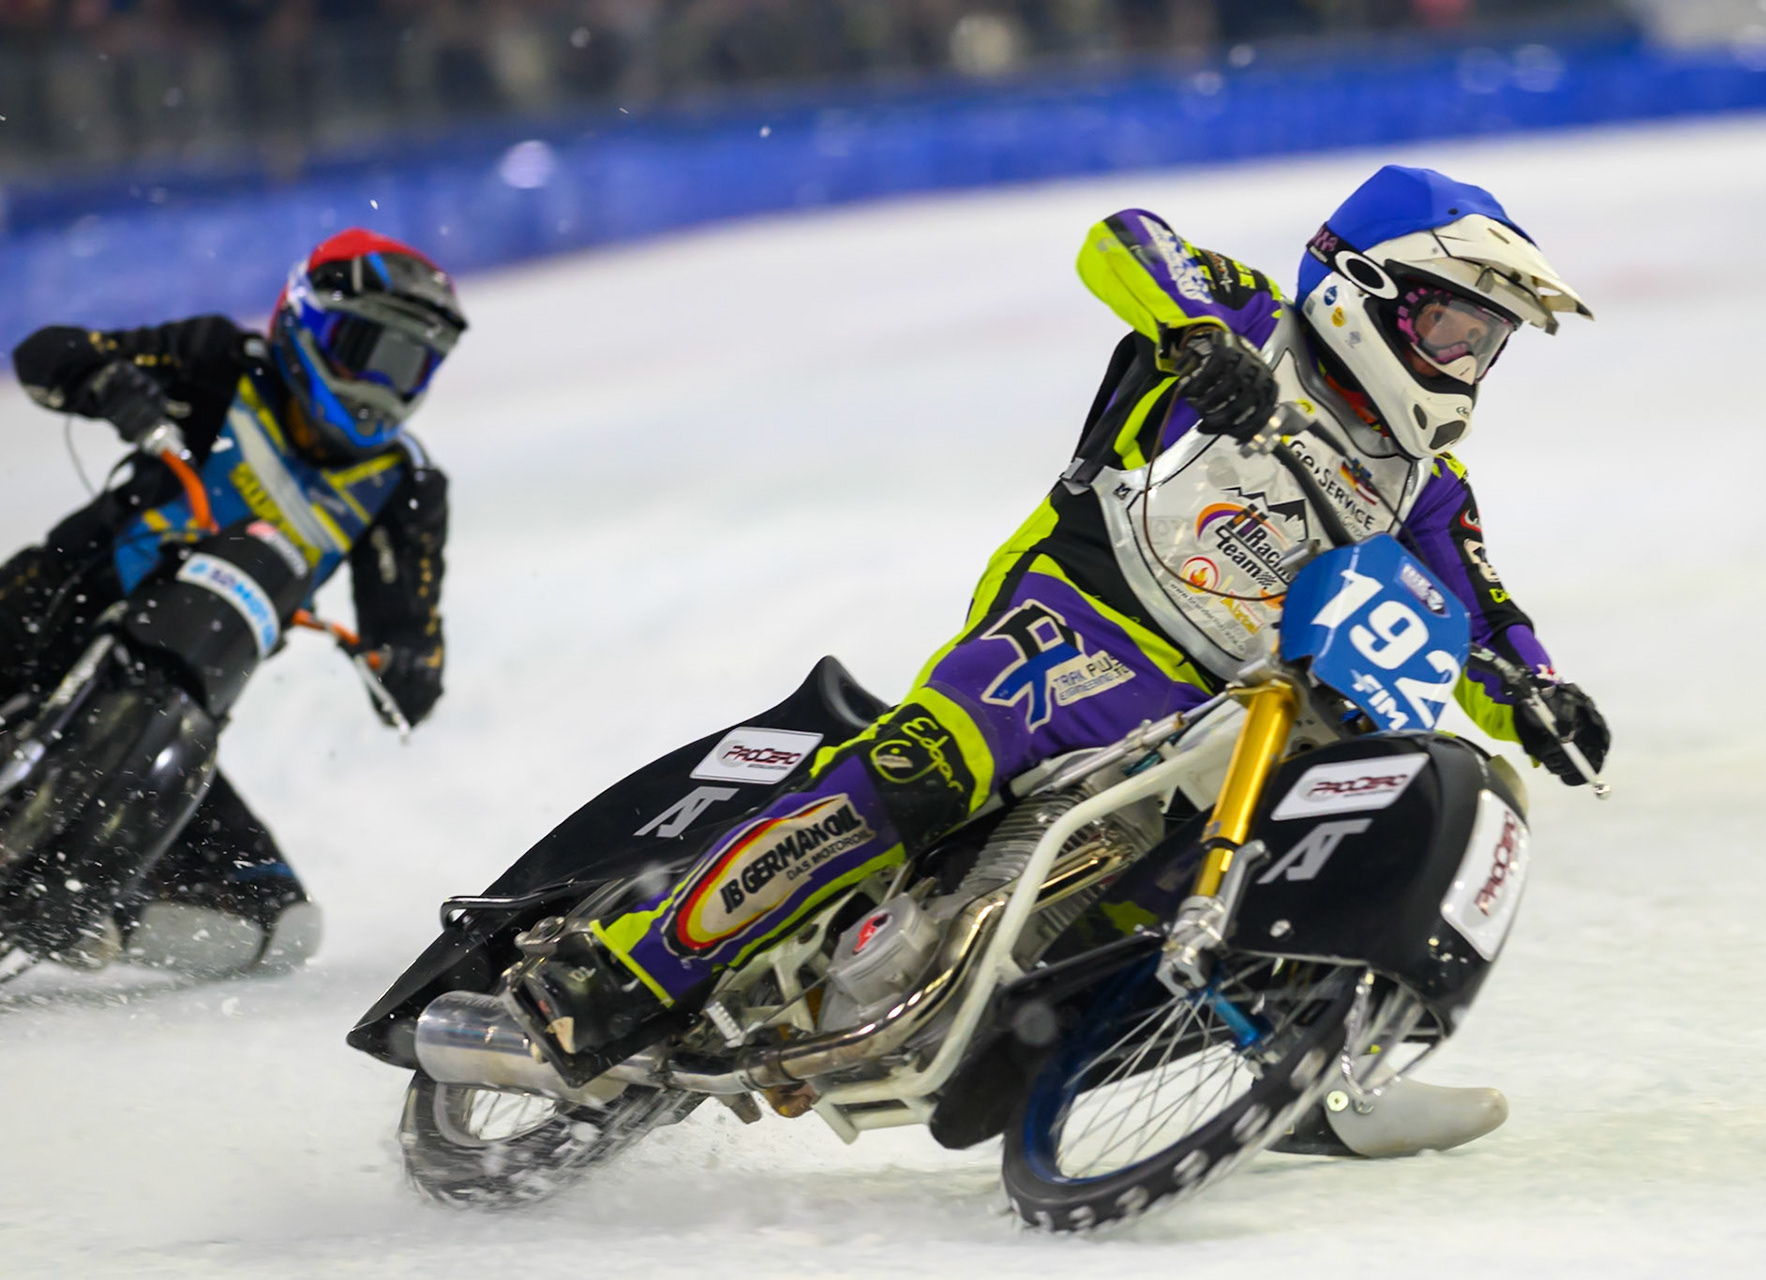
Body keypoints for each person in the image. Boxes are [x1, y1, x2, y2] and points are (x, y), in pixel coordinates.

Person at [511, 167, 1611, 1149]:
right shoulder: (1251, 321)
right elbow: (1128, 237)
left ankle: (1302, 1070)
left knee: (1277, 851)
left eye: (1485, 340)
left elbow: (1479, 607)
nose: (1466, 360)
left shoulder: (1427, 487)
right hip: (1076, 620)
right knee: (922, 770)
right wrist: (1194, 337)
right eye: (1452, 327)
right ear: (1362, 290)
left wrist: (1539, 691)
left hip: (1219, 706)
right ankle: (619, 965)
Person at [1, 229, 465, 976]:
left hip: (168, 711)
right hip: (47, 613)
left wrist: (407, 667)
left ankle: (79, 907)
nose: (382, 388)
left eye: (409, 367)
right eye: (370, 351)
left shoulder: (405, 488)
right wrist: (111, 383)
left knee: (274, 919)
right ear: (308, 323)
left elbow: (411, 638)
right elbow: (47, 355)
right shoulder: (218, 363)